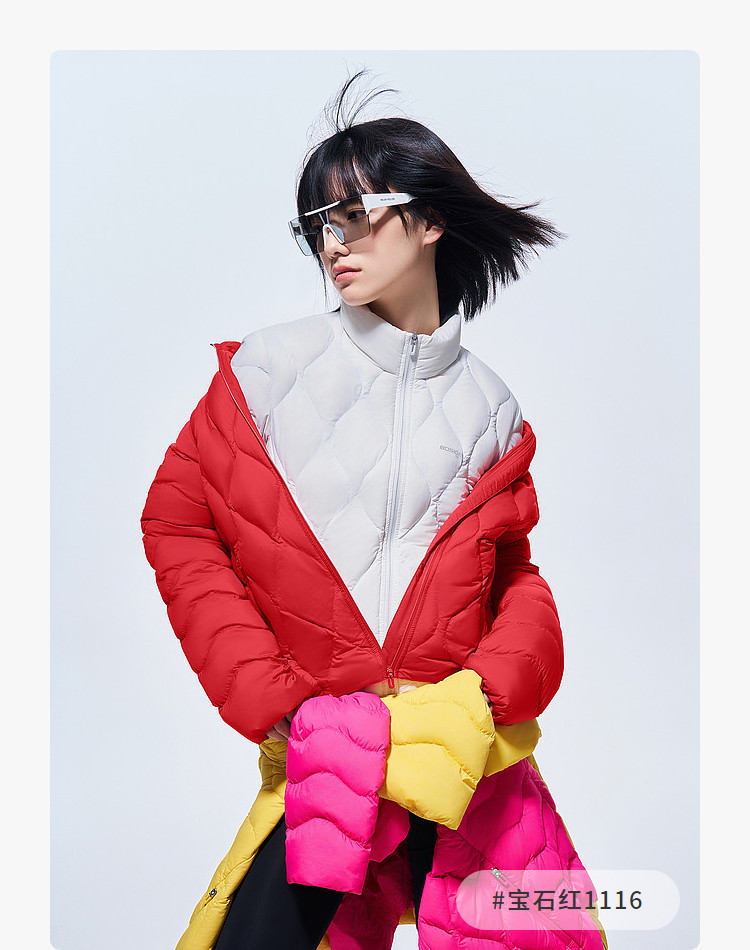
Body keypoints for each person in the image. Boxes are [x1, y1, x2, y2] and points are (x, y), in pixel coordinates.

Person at [141, 71, 604, 950]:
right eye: (319, 224)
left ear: (429, 220)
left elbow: (513, 571)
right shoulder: (269, 372)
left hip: (454, 747)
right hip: (327, 748)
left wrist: (490, 692)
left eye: (355, 215)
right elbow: (177, 523)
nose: (333, 243)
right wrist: (265, 693)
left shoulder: (493, 406)